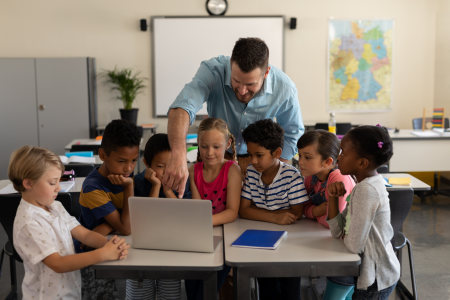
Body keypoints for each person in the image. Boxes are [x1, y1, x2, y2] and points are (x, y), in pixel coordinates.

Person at [164, 37, 305, 197]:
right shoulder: (213, 70)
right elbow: (182, 108)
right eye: (236, 81)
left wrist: (271, 167)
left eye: (251, 84)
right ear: (231, 64)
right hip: (219, 155)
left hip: (258, 158)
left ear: (266, 73)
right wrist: (178, 155)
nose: (243, 91)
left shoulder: (285, 89)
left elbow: (293, 134)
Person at [9, 146, 129, 300]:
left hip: (69, 291)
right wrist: (104, 253)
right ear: (28, 184)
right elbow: (58, 263)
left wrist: (109, 243)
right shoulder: (28, 222)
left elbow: (83, 234)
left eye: (59, 181)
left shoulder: (54, 206)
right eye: (53, 183)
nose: (59, 187)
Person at [324, 125, 400, 300]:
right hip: (370, 273)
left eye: (343, 152)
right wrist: (333, 197)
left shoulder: (367, 190)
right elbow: (338, 232)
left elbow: (354, 245)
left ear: (362, 163)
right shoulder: (362, 185)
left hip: (375, 278)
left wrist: (346, 233)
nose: (338, 157)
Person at [239, 119, 309, 300]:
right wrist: (275, 217)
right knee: (267, 289)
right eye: (250, 154)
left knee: (290, 291)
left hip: (291, 244)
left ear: (277, 153)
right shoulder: (252, 173)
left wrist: (258, 211)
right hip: (260, 240)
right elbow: (244, 210)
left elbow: (296, 213)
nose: (252, 161)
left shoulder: (291, 175)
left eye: (259, 155)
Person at [74, 119, 141, 299]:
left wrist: (110, 225)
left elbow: (126, 223)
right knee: (102, 296)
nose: (129, 168)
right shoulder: (92, 187)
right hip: (90, 253)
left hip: (113, 241)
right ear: (103, 155)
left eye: (134, 160)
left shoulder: (123, 172)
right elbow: (126, 227)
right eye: (122, 161)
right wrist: (129, 188)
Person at [126, 133, 191, 300]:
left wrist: (168, 190)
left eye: (172, 165)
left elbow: (185, 215)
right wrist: (156, 186)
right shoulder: (138, 182)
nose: (168, 171)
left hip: (171, 246)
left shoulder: (182, 181)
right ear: (147, 163)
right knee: (139, 293)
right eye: (161, 166)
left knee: (170, 293)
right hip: (142, 246)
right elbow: (145, 218)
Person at [185, 117, 241, 300]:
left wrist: (204, 222)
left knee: (206, 292)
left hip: (225, 238)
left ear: (228, 144)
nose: (209, 152)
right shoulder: (194, 171)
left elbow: (232, 212)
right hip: (200, 236)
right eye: (204, 146)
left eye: (216, 147)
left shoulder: (233, 170)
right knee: (192, 291)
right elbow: (196, 207)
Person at [297, 130, 355, 228]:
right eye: (300, 156)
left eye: (307, 157)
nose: (300, 162)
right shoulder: (310, 176)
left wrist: (316, 216)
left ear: (327, 161)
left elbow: (336, 223)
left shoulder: (339, 178)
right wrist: (317, 211)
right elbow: (302, 208)